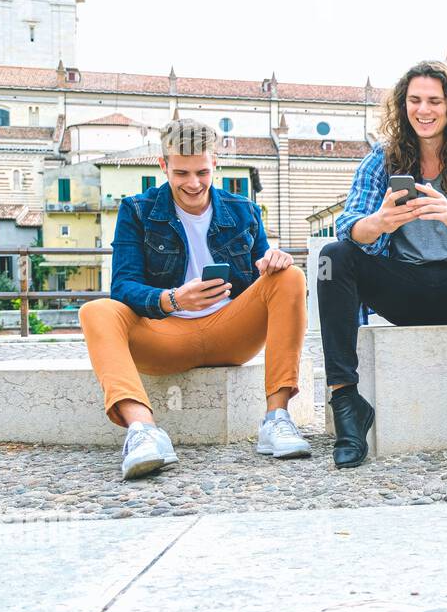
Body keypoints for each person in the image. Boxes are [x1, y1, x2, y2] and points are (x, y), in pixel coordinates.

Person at [318, 60, 447, 467]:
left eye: (434, 101)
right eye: (415, 100)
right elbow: (347, 226)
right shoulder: (381, 159)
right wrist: (376, 223)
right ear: (402, 105)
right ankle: (346, 402)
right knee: (333, 258)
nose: (424, 110)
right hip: (403, 289)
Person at [80, 118, 309, 479]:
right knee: (96, 311)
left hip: (231, 333)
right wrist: (173, 299)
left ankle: (276, 420)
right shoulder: (137, 210)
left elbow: (265, 271)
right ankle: (144, 433)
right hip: (166, 336)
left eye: (202, 171)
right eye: (182, 172)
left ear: (215, 163)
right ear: (163, 165)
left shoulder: (244, 209)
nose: (193, 183)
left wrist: (273, 260)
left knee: (291, 275)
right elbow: (123, 286)